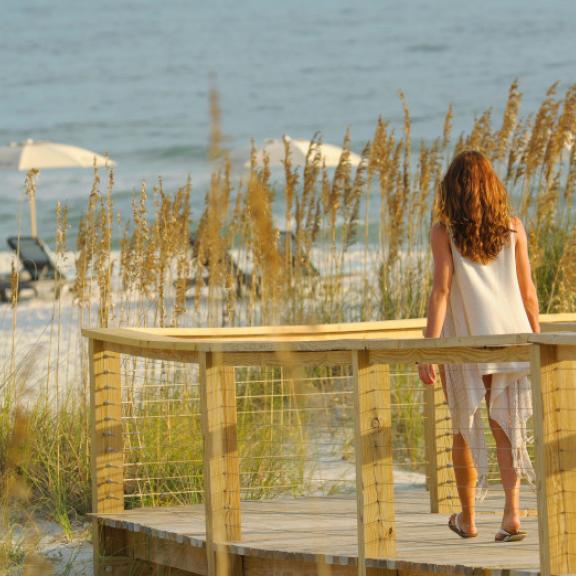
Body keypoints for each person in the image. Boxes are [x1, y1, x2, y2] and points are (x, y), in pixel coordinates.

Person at [417, 150, 540, 543]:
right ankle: (512, 516)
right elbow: (528, 293)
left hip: (467, 341)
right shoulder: (514, 228)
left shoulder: (444, 231)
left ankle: (468, 519)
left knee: (464, 429)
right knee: (507, 427)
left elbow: (441, 291)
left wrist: (428, 348)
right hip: (512, 339)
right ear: (492, 187)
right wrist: (537, 342)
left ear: (452, 189)